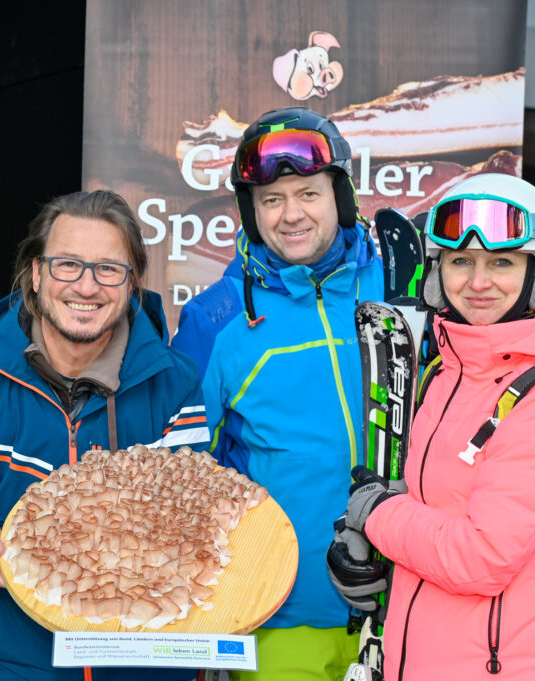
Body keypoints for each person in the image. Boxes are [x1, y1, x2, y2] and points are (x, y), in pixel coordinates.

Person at [0, 190, 210, 681]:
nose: (87, 286)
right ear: (36, 273)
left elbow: (195, 532)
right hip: (18, 668)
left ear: (131, 283)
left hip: (145, 668)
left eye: (109, 269)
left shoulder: (175, 382)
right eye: (67, 265)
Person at [328, 173, 535, 680]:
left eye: (501, 263)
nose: (478, 282)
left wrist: (378, 514)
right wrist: (364, 546)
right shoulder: (447, 371)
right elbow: (435, 505)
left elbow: (482, 556)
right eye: (461, 262)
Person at [170, 107, 383, 680]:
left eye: (308, 193)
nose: (292, 215)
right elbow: (182, 477)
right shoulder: (215, 320)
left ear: (338, 196)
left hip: (409, 606)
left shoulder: (401, 289)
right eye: (271, 199)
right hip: (283, 616)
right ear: (250, 211)